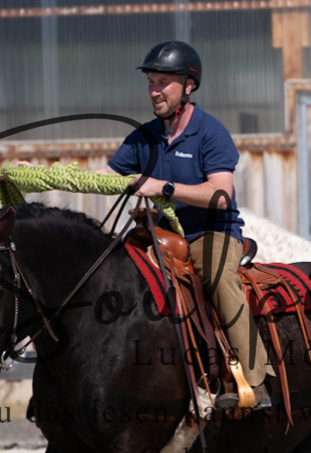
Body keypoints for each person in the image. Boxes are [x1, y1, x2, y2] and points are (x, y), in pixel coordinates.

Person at [98, 40, 272, 410]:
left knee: (217, 277)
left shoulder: (211, 132)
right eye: (151, 82)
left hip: (211, 233)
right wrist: (44, 176)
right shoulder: (143, 137)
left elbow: (221, 194)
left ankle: (255, 382)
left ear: (188, 85)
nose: (155, 90)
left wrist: (162, 187)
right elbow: (104, 177)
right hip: (162, 236)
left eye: (164, 82)